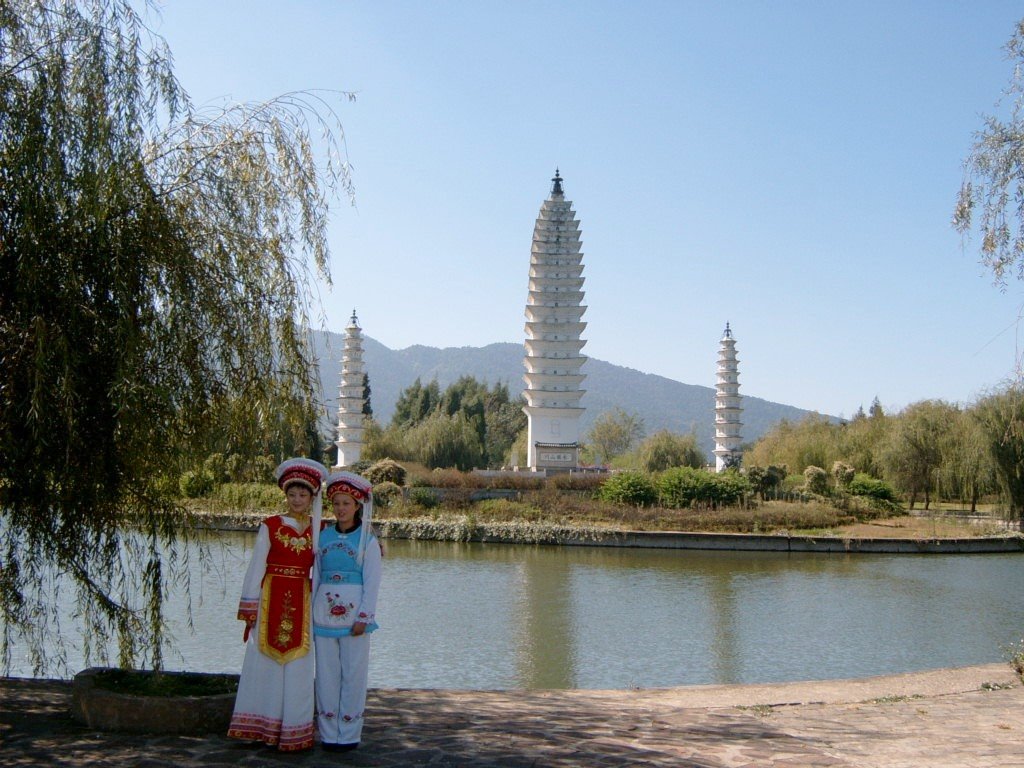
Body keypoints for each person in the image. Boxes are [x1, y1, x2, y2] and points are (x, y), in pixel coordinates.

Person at [227, 457, 328, 752]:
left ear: (311, 497)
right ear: (285, 495)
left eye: (303, 495)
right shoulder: (270, 526)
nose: (297, 500)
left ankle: (294, 730)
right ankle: (259, 725)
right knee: (265, 661)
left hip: (302, 597)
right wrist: (250, 606)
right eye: (292, 495)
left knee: (298, 663)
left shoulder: (318, 529)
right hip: (271, 596)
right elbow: (256, 566)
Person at [313, 470, 382, 752]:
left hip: (354, 617)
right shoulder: (323, 537)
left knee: (353, 674)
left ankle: (350, 733)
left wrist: (364, 617)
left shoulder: (368, 540)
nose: (341, 509)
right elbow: (316, 576)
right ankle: (329, 733)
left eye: (346, 503)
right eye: (337, 503)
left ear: (357, 506)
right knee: (326, 674)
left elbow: (373, 582)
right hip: (323, 616)